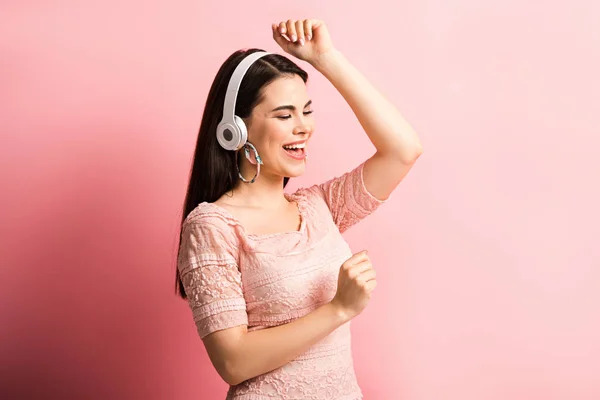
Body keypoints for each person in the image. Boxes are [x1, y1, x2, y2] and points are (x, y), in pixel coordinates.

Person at [175, 18, 423, 400]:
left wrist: (326, 59)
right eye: (284, 115)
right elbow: (233, 362)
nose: (303, 127)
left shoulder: (320, 207)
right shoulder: (211, 226)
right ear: (235, 130)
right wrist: (339, 309)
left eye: (307, 111)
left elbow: (403, 149)